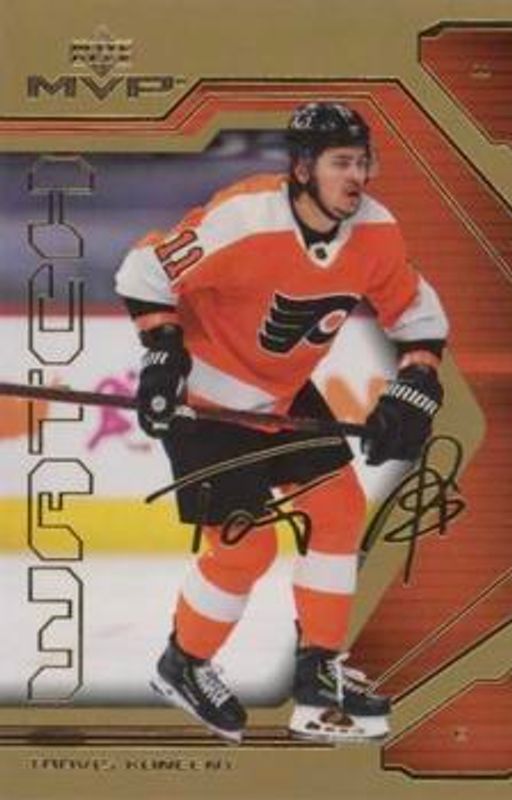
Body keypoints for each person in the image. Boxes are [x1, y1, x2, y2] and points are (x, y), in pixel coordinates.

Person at [115, 101, 448, 744]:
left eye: (362, 162)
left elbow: (417, 315)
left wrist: (417, 385)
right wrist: (161, 352)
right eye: (340, 163)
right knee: (247, 547)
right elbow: (144, 270)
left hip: (286, 394)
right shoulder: (244, 217)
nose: (357, 177)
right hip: (207, 402)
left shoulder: (377, 231)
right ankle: (182, 663)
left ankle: (318, 675)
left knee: (340, 510)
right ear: (301, 168)